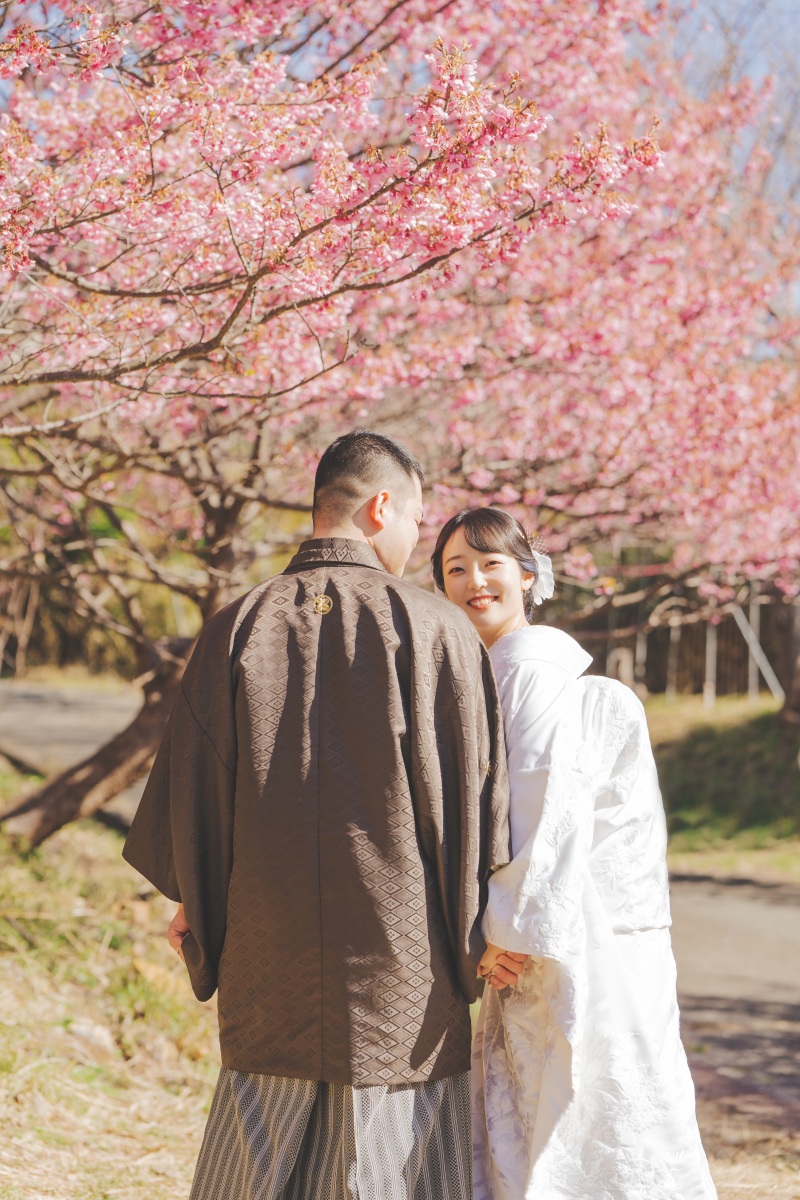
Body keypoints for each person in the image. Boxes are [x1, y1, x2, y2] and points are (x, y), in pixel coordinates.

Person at [122, 431, 523, 1200]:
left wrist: (195, 905)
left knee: (254, 1163)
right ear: (381, 507)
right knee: (391, 1173)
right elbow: (473, 806)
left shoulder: (235, 627)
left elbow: (193, 793)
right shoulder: (435, 629)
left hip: (266, 958)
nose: (415, 538)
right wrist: (479, 930)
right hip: (400, 969)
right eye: (415, 519)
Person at [432, 505, 718, 1200]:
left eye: (490, 564)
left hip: (545, 936)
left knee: (570, 1108)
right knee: (571, 1110)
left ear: (528, 575)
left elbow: (539, 808)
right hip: (547, 929)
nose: (474, 581)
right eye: (455, 569)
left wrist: (497, 933)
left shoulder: (530, 671)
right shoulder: (495, 669)